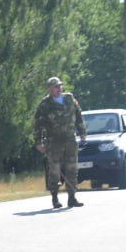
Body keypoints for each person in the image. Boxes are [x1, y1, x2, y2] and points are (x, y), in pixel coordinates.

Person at [33, 76, 87, 209]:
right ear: (50, 89)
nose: (59, 88)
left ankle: (72, 197)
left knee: (72, 169)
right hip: (54, 141)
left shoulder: (69, 98)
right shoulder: (45, 104)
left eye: (60, 86)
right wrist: (38, 142)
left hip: (70, 139)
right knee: (55, 171)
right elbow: (38, 125)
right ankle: (55, 197)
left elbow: (78, 115)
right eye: (56, 86)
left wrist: (82, 133)